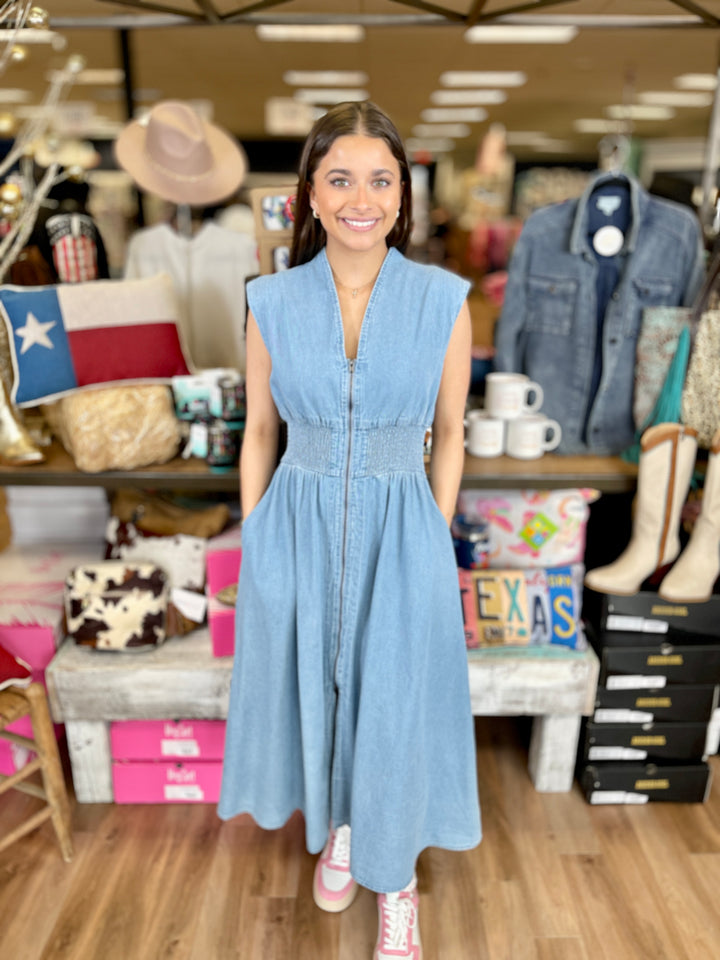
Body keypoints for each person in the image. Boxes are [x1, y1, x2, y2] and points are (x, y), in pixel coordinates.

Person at [218, 101, 481, 959]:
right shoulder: (270, 299)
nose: (360, 197)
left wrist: (432, 538)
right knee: (317, 687)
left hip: (402, 520)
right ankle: (339, 826)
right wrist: (257, 538)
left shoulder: (444, 299)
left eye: (379, 179)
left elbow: (452, 432)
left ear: (403, 197)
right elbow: (259, 432)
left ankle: (394, 878)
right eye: (340, 179)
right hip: (294, 520)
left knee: (394, 698)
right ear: (311, 197)